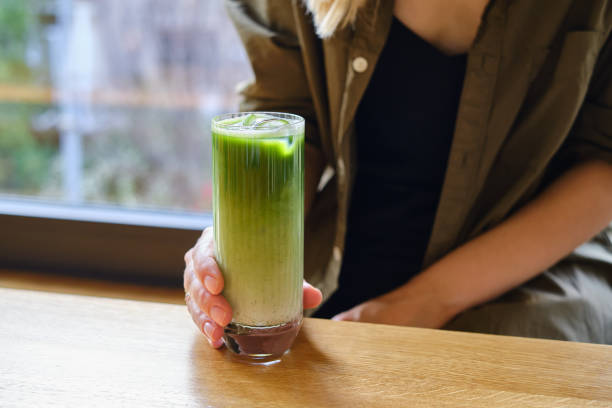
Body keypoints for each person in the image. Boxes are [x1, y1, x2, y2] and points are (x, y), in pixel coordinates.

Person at [184, 0, 612, 349]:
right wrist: (238, 243)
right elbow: (287, 114)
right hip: (340, 261)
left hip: (534, 268)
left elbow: (602, 164)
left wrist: (428, 300)